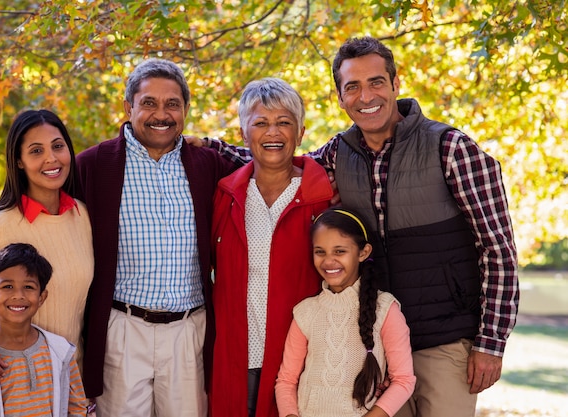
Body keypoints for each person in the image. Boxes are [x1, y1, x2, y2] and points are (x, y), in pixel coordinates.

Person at [203, 36, 519, 417]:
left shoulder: (450, 149)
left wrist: (491, 341)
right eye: (352, 86)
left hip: (444, 340)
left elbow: (497, 248)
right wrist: (206, 146)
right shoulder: (339, 153)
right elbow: (280, 159)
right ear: (341, 98)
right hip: (371, 343)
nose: (365, 95)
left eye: (376, 82)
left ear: (395, 84)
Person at [75, 58, 237, 417]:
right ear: (128, 106)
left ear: (185, 110)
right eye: (148, 102)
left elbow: (265, 166)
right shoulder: (92, 165)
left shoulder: (207, 164)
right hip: (122, 328)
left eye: (172, 104)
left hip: (188, 331)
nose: (160, 114)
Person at [210, 78, 333, 417]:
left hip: (302, 360)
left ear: (301, 131)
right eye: (261, 123)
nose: (273, 133)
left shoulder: (322, 199)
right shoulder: (225, 196)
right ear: (243, 134)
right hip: (235, 357)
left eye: (283, 122)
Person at [0, 110, 94, 392]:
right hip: (16, 381)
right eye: (36, 151)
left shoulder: (83, 217)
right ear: (18, 161)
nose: (51, 158)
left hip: (71, 380)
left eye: (57, 146)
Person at [275, 207, 415, 417]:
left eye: (339, 251)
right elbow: (286, 380)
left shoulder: (385, 309)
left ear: (363, 252)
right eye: (320, 251)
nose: (328, 261)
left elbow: (404, 380)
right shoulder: (305, 312)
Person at [0, 243, 87, 416]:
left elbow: (77, 408)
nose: (18, 295)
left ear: (42, 297)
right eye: (7, 286)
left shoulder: (61, 352)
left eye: (29, 287)